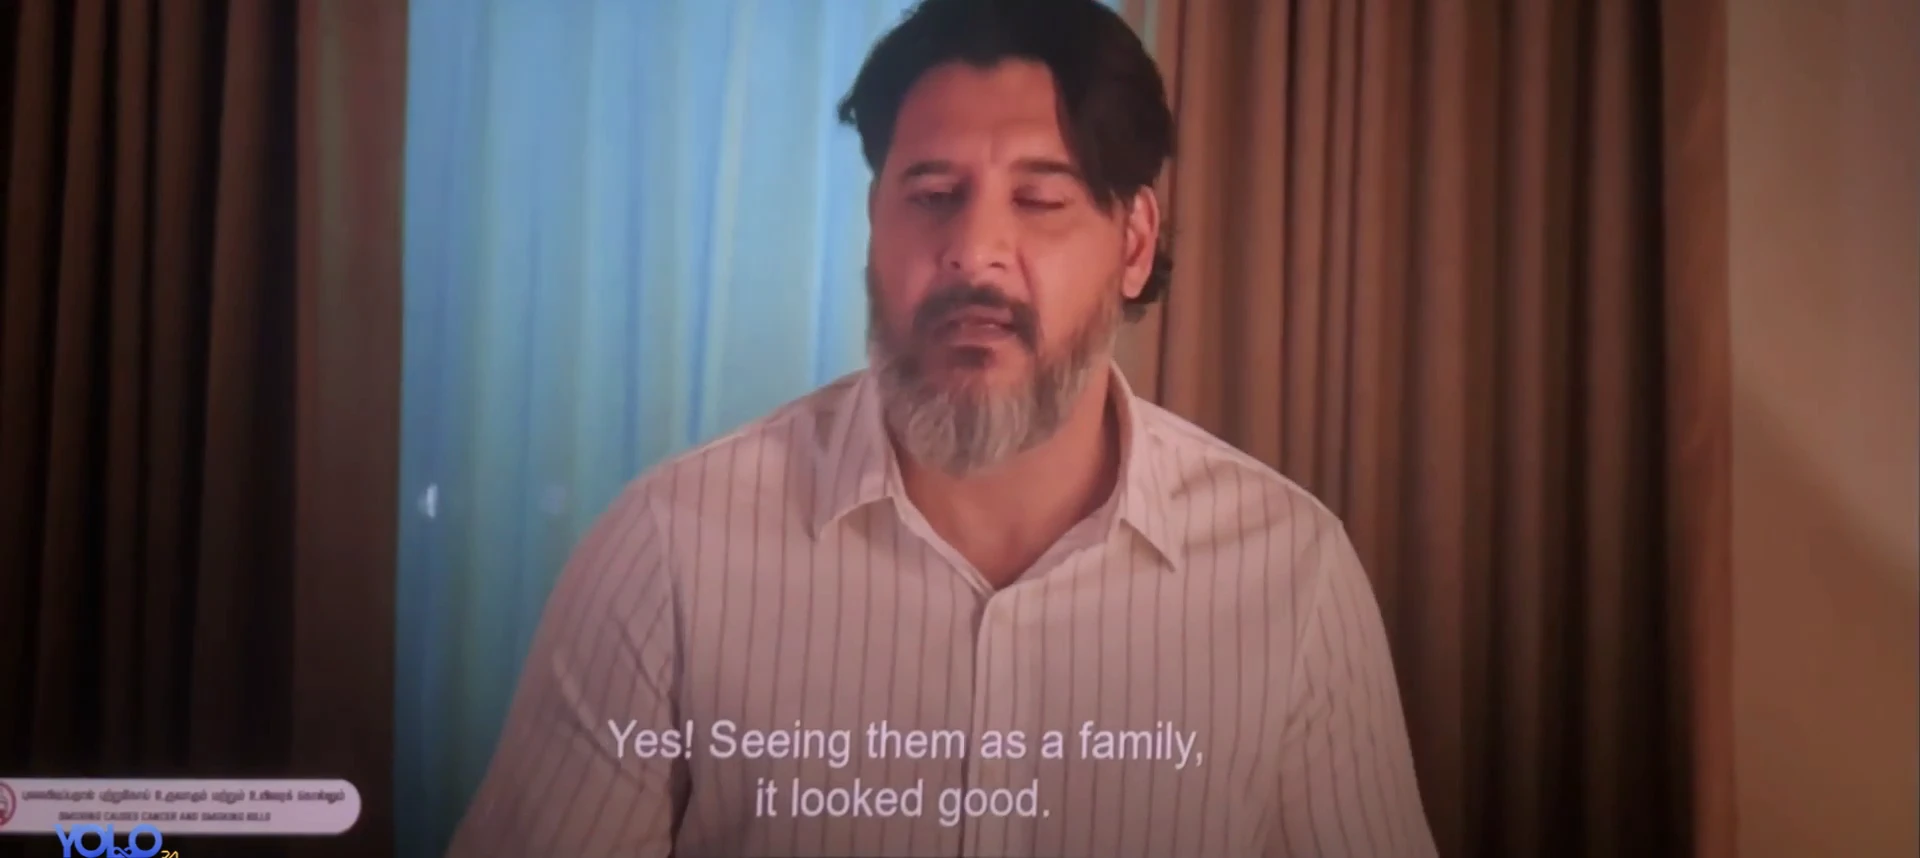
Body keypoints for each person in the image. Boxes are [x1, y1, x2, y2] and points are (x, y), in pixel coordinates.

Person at [445, 1, 1437, 856]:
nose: (974, 252)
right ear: (875, 221)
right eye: (931, 196)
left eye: (1039, 200)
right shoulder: (667, 553)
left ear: (1134, 242)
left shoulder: (1293, 575)